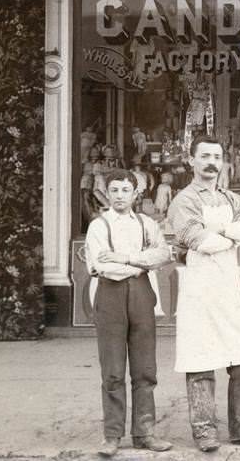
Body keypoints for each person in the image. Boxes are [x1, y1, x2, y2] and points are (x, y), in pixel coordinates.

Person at [168, 134, 240, 452]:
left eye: (216, 157)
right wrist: (228, 236)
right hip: (199, 290)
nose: (211, 163)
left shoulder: (231, 198)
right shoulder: (184, 200)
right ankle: (205, 431)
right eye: (205, 156)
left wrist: (223, 230)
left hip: (230, 288)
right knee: (201, 361)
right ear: (192, 160)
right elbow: (200, 241)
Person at [84, 169, 174, 457]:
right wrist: (141, 264)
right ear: (107, 194)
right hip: (110, 294)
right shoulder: (98, 226)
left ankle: (144, 432)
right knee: (112, 370)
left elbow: (163, 254)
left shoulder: (147, 223)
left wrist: (130, 260)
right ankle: (112, 435)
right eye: (114, 190)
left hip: (141, 295)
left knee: (145, 368)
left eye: (125, 190)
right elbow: (100, 266)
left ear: (136, 194)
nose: (120, 196)